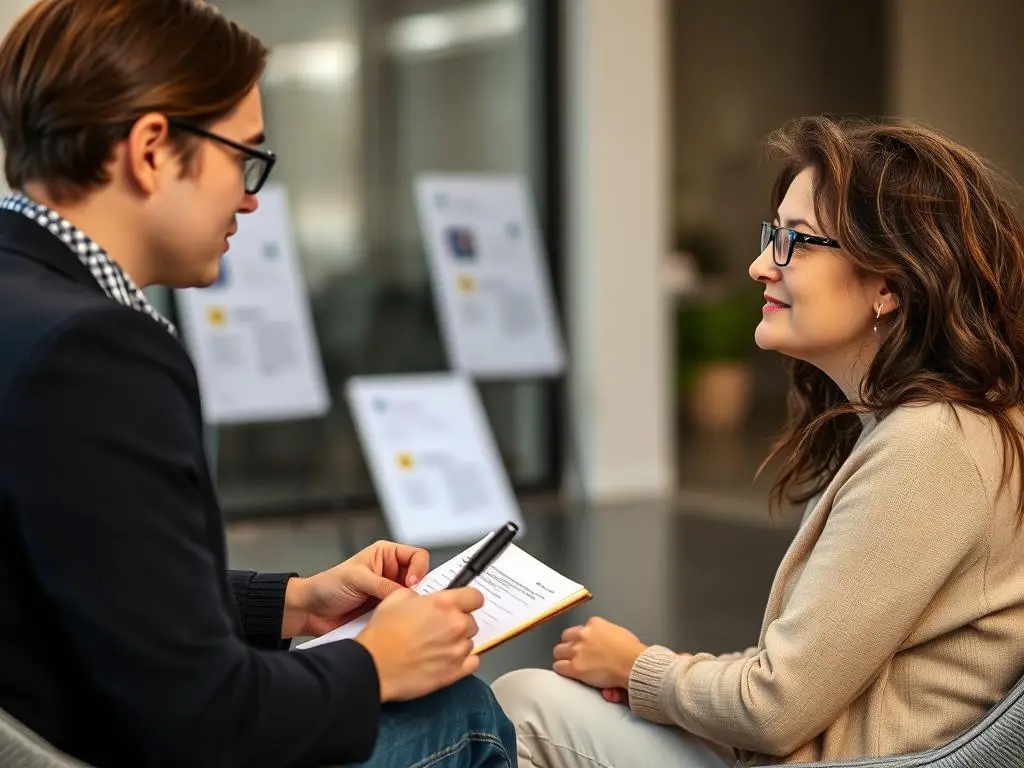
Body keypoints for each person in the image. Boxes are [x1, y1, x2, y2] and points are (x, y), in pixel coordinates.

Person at [0, 1, 514, 767]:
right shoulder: (98, 353)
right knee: (461, 712)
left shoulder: (23, 300)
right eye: (242, 158)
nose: (249, 197)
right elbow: (203, 720)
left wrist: (295, 603)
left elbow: (85, 582)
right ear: (150, 150)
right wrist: (376, 664)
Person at [491, 115, 1024, 767]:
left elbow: (776, 710)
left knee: (522, 705)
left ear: (888, 283)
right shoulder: (941, 429)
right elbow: (814, 674)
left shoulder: (931, 446)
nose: (758, 266)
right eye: (772, 235)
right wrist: (665, 674)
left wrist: (638, 669)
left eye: (795, 242)